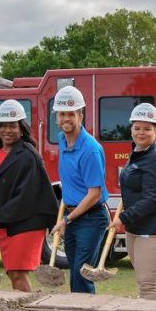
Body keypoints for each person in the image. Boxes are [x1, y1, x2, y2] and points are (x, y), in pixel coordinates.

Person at [0, 99, 58, 292]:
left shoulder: (27, 155)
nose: (7, 130)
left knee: (18, 273)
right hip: (8, 221)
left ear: (21, 128)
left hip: (27, 222)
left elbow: (26, 195)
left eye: (12, 125)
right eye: (3, 125)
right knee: (12, 272)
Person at [110, 103, 156, 300]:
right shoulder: (137, 153)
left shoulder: (155, 158)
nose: (141, 132)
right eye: (137, 128)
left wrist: (123, 217)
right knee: (141, 281)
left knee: (147, 284)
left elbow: (153, 199)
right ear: (131, 129)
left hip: (153, 230)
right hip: (136, 228)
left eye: (147, 128)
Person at [50, 86, 109, 294]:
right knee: (74, 272)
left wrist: (67, 220)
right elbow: (69, 183)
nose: (66, 118)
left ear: (80, 116)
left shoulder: (91, 149)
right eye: (62, 114)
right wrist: (67, 217)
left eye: (71, 114)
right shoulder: (62, 140)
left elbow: (94, 194)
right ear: (57, 117)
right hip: (74, 215)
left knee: (82, 273)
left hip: (92, 217)